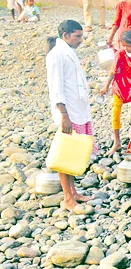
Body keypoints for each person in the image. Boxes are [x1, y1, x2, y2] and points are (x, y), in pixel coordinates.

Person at [46, 20, 97, 210]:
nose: (81, 40)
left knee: (74, 152)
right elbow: (56, 88)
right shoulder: (56, 54)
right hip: (67, 112)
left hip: (78, 110)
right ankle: (67, 198)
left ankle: (74, 192)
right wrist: (63, 115)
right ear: (65, 35)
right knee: (64, 154)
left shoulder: (68, 52)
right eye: (77, 36)